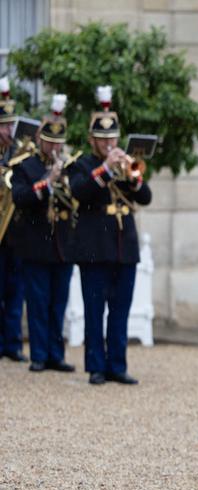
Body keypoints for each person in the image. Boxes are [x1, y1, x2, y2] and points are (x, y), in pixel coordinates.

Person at [68, 85, 152, 386]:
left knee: (120, 310)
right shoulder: (82, 164)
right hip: (94, 248)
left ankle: (117, 364)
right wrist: (104, 168)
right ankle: (96, 366)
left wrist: (132, 174)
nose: (109, 143)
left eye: (112, 138)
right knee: (94, 311)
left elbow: (145, 197)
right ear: (93, 140)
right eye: (103, 139)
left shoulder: (126, 164)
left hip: (123, 248)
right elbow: (80, 191)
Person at [10, 94, 76, 373]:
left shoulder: (69, 166)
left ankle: (55, 354)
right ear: (41, 140)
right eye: (50, 143)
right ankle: (38, 354)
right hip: (36, 244)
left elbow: (76, 200)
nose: (55, 148)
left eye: (59, 143)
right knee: (38, 302)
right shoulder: (27, 166)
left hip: (62, 245)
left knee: (58, 303)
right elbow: (21, 197)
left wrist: (65, 182)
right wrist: (47, 183)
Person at [0, 76, 26, 362]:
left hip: (15, 231)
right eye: (4, 126)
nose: (8, 131)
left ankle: (14, 343)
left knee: (16, 289)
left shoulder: (19, 151)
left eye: (10, 126)